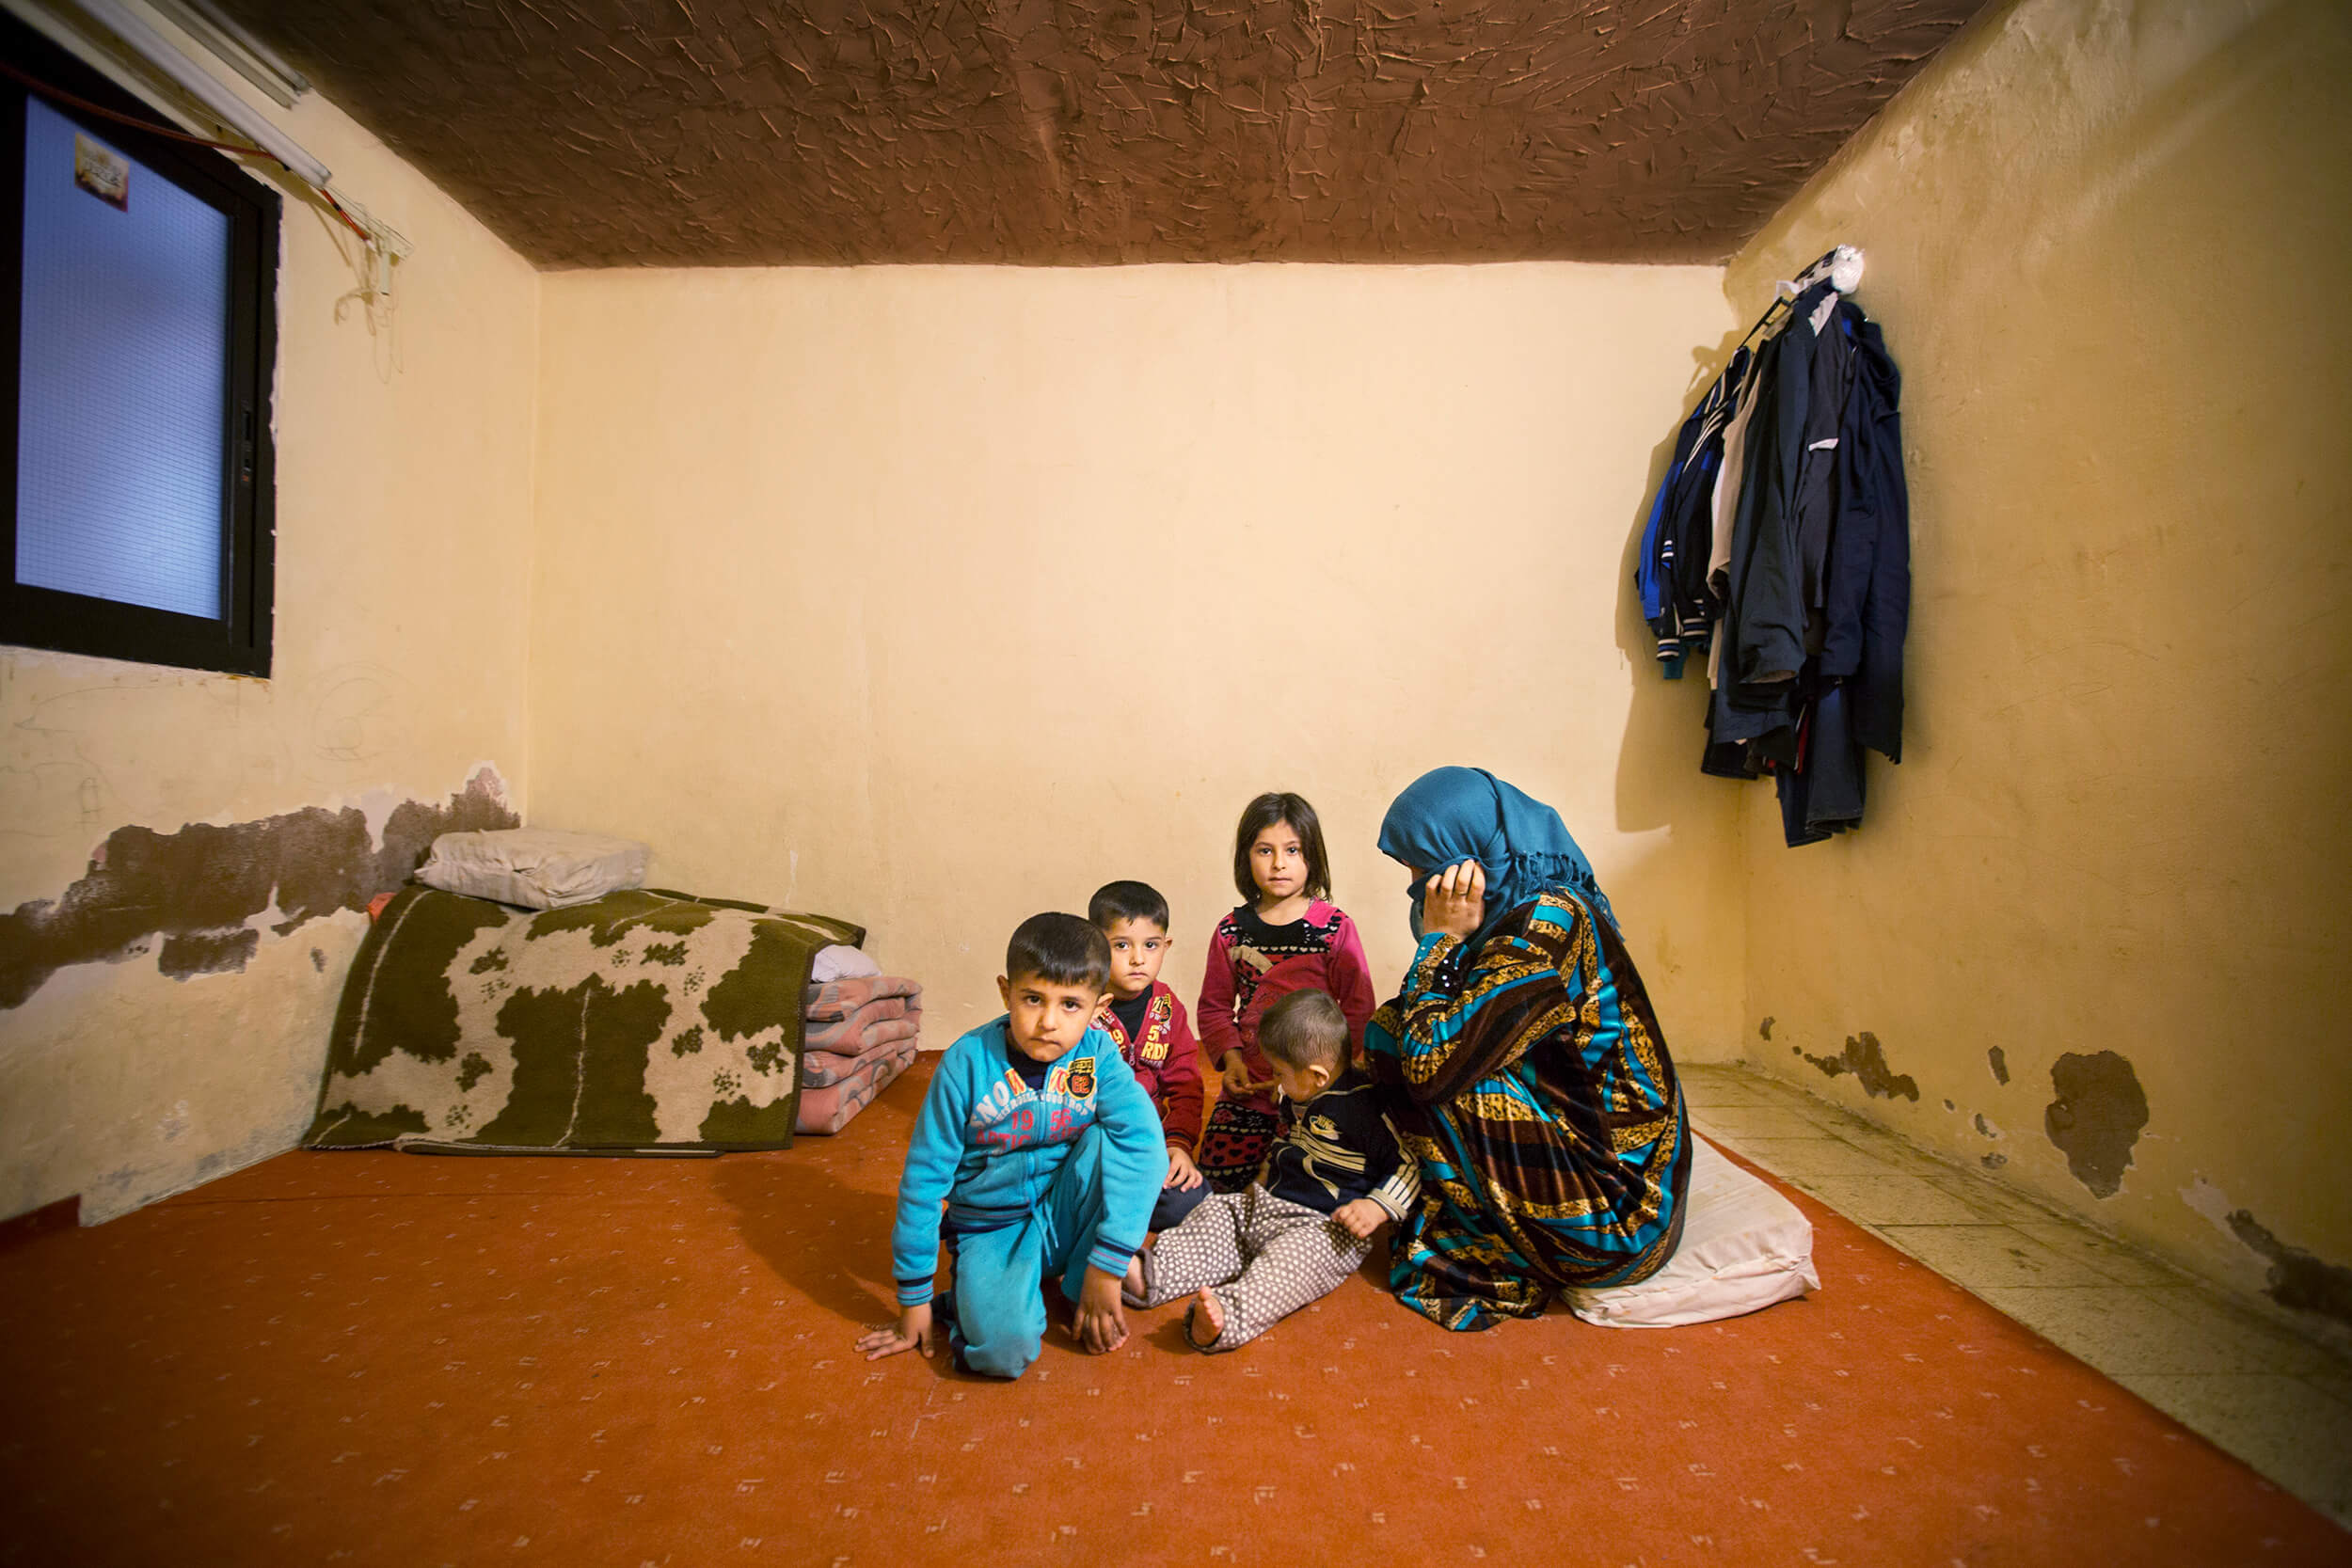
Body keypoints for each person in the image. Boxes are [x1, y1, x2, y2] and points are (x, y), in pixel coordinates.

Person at [1364, 767, 1692, 1332]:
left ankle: (1495, 1235)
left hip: (1620, 1225)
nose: (1417, 883)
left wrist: (1440, 942)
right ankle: (1489, 1213)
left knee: (1408, 1048)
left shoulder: (1545, 925)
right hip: (1618, 1186)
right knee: (1409, 1030)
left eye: (1421, 864)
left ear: (1466, 858)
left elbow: (1428, 1063)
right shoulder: (1525, 910)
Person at [857, 912, 1167, 1378]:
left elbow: (1145, 1147)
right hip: (990, 1230)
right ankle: (964, 1301)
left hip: (1062, 1215)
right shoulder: (965, 1063)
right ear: (1006, 992)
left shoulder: (1099, 1055)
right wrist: (914, 1301)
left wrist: (1108, 1265)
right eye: (1032, 999)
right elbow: (922, 1186)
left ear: (1099, 1008)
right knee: (1004, 1354)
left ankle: (1079, 1281)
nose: (1047, 1022)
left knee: (1112, 1140)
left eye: (1070, 1005)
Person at [1125, 990, 1416, 1352]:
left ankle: (1225, 1317)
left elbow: (1408, 1164)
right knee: (1216, 1213)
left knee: (1284, 1269)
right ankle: (1152, 1274)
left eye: (1279, 1072)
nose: (1275, 1082)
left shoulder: (1365, 1111)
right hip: (1264, 1205)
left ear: (1317, 1075)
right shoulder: (1301, 1093)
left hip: (1323, 1227)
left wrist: (1376, 1207)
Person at [1195, 792, 1379, 1191]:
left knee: (1303, 1182)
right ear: (1246, 857)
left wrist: (1333, 1075)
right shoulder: (1231, 931)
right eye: (1265, 850)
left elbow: (1359, 1007)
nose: (1279, 863)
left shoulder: (1334, 928)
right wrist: (1233, 1060)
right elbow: (1213, 1007)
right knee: (1216, 1180)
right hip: (1249, 1085)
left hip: (1318, 1089)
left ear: (1311, 856)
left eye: (1292, 850)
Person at [1088, 879, 1211, 1233]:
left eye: (1151, 945)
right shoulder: (1079, 1007)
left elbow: (1186, 1087)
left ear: (1165, 946)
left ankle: (1111, 1210)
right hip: (1086, 1146)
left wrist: (1178, 1147)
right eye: (1121, 945)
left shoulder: (1168, 1008)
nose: (1138, 958)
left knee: (1191, 1199)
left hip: (1145, 1147)